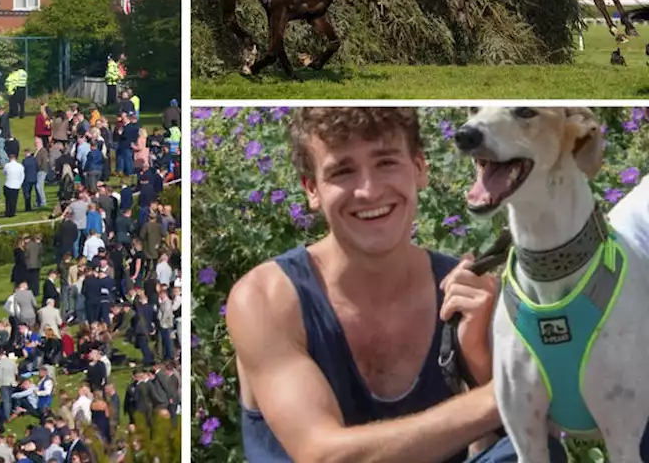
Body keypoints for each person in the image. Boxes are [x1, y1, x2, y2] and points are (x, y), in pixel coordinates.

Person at [225, 107, 565, 462]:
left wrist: (477, 358)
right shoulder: (268, 299)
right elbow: (322, 455)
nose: (369, 191)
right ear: (312, 190)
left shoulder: (467, 294)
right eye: (343, 171)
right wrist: (505, 392)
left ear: (419, 169)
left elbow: (530, 441)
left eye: (386, 163)